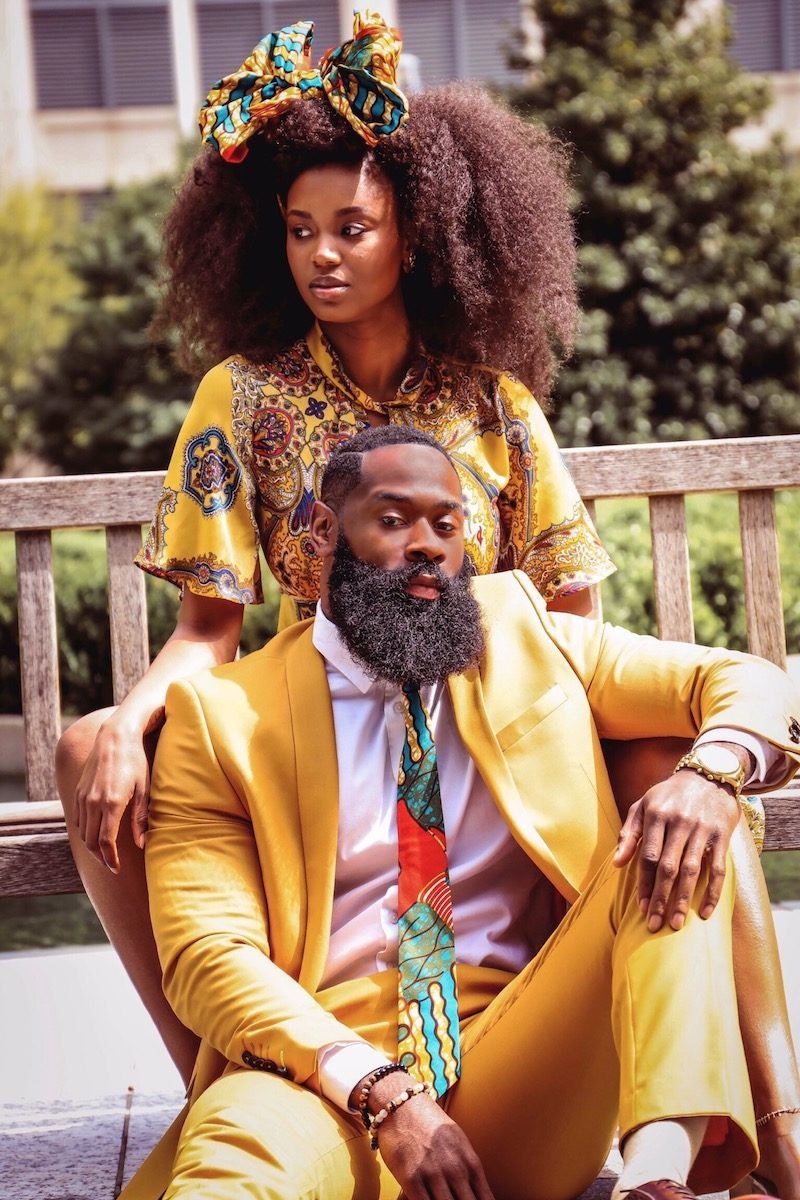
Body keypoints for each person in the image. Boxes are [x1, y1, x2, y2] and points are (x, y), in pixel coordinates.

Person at [55, 13, 800, 1195]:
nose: (323, 256)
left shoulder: (494, 399)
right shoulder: (241, 398)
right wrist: (123, 720)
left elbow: (564, 619)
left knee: (675, 781)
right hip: (330, 709)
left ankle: (755, 1129)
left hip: (496, 698)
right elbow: (209, 630)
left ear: (420, 234)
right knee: (94, 745)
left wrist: (700, 769)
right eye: (298, 233)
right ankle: (249, 1066)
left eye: (351, 227)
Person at [121, 425, 800, 1200]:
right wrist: (380, 1089)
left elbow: (743, 679)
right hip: (323, 1073)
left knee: (673, 842)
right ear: (321, 531)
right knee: (228, 1161)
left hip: (521, 1059)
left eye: (446, 525)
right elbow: (208, 955)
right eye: (392, 519)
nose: (426, 546)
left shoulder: (523, 632)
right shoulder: (219, 716)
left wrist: (712, 774)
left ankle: (653, 1180)